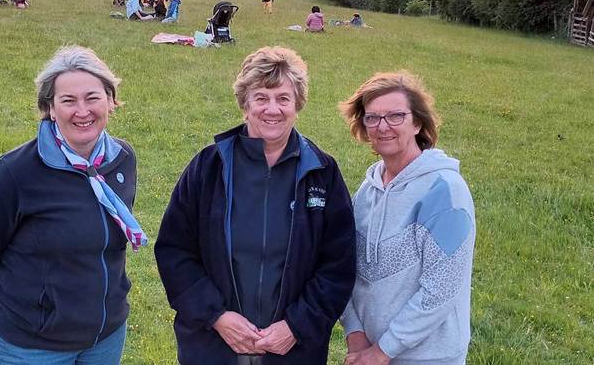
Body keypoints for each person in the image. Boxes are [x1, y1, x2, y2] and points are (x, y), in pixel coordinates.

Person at [155, 46, 356, 365]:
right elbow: (174, 251)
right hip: (213, 347)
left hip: (293, 352)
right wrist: (217, 316)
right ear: (245, 103)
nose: (272, 109)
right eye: (261, 97)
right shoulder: (209, 167)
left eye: (283, 98)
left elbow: (338, 265)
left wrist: (295, 325)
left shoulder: (322, 172)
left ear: (297, 104)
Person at [0, 46, 147, 364]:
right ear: (50, 108)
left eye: (92, 97)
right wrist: (18, 313)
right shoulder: (15, 173)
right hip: (31, 345)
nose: (82, 111)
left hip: (105, 337)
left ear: (110, 101)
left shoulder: (122, 159)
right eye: (68, 101)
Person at [338, 72, 475, 365]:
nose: (382, 126)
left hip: (428, 357)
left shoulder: (446, 192)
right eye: (372, 118)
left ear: (417, 123)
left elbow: (441, 289)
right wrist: (355, 333)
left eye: (395, 116)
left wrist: (383, 351)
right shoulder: (367, 191)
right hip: (371, 351)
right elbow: (344, 265)